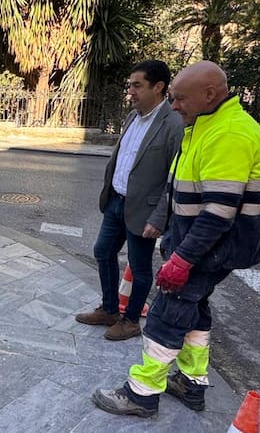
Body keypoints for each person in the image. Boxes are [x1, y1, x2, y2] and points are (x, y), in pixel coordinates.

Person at [93, 61, 260, 418]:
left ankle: (141, 394)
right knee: (194, 312)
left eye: (180, 99)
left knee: (166, 315)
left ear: (209, 94)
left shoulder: (229, 135)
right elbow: (181, 188)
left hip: (208, 250)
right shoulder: (206, 125)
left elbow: (219, 211)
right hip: (202, 247)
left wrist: (182, 259)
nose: (174, 106)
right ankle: (191, 384)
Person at [75, 60, 183, 341]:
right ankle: (110, 310)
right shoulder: (132, 117)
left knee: (139, 265)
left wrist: (159, 217)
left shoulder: (173, 124)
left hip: (144, 211)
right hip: (116, 201)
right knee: (103, 251)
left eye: (137, 86)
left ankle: (131, 320)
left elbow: (174, 178)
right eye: (130, 85)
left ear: (158, 87)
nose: (131, 92)